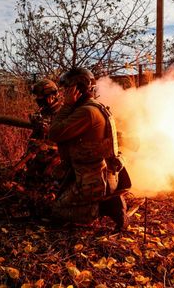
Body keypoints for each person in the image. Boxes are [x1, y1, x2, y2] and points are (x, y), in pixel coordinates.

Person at [48, 67, 129, 231]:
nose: (64, 94)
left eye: (66, 89)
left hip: (93, 180)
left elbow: (55, 133)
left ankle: (104, 207)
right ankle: (106, 201)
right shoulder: (95, 107)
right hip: (100, 175)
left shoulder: (86, 112)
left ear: (77, 89)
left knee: (56, 211)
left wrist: (67, 106)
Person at [13, 79, 62, 179]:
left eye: (41, 97)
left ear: (52, 96)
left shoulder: (63, 113)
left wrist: (49, 132)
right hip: (40, 156)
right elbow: (35, 138)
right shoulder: (43, 112)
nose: (38, 99)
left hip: (57, 158)